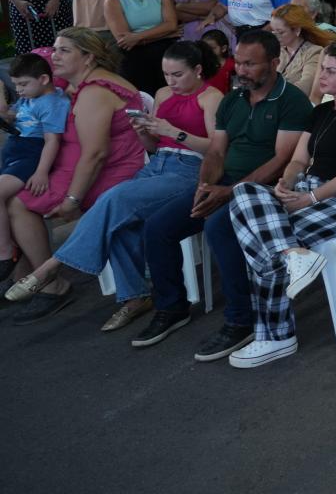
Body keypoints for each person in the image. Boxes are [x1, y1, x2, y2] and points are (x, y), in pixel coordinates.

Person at [7, 42, 223, 330]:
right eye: (166, 74)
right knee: (114, 216)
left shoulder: (212, 98)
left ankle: (51, 267)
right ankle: (135, 296)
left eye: (178, 75)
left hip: (192, 169)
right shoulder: (161, 93)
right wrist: (145, 133)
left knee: (115, 197)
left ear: (197, 70)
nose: (171, 81)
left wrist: (175, 132)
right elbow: (154, 146)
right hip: (159, 164)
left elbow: (217, 150)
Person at [129, 30, 312, 358]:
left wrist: (228, 192)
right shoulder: (232, 99)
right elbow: (215, 151)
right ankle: (172, 308)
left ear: (274, 62)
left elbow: (281, 160)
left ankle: (241, 319)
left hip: (264, 190)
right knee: (158, 227)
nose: (240, 70)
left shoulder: (291, 100)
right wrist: (204, 186)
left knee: (217, 228)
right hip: (224, 182)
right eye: (238, 63)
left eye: (250, 64)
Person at [225, 42, 336, 368]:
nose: (322, 76)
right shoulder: (321, 111)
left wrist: (311, 198)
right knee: (244, 193)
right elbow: (299, 158)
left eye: (330, 70)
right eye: (322, 69)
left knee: (263, 240)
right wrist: (286, 183)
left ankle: (276, 336)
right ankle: (294, 254)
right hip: (305, 191)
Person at [3, 29, 147, 323]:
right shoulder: (79, 86)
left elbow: (96, 155)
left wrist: (72, 199)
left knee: (18, 202)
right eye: (55, 49)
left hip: (111, 172)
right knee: (12, 196)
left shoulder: (94, 92)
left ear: (88, 57)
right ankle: (25, 276)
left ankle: (51, 283)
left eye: (65, 51)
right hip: (84, 165)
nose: (54, 56)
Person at [0, 54, 69, 281]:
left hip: (31, 154)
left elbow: (52, 140)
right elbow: (14, 116)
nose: (18, 90)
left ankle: (6, 251)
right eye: (15, 84)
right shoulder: (30, 98)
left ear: (43, 79)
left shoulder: (52, 103)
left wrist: (40, 172)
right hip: (15, 150)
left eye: (23, 84)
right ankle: (14, 262)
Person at [103, 0, 180, 95]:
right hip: (133, 55)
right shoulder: (113, 1)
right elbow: (124, 40)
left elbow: (171, 24)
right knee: (144, 99)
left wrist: (137, 36)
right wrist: (165, 34)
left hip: (165, 52)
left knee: (170, 95)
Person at [266, 3, 334, 104]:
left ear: (297, 30)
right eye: (273, 32)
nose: (276, 36)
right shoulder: (277, 50)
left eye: (280, 32)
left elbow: (305, 87)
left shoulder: (314, 52)